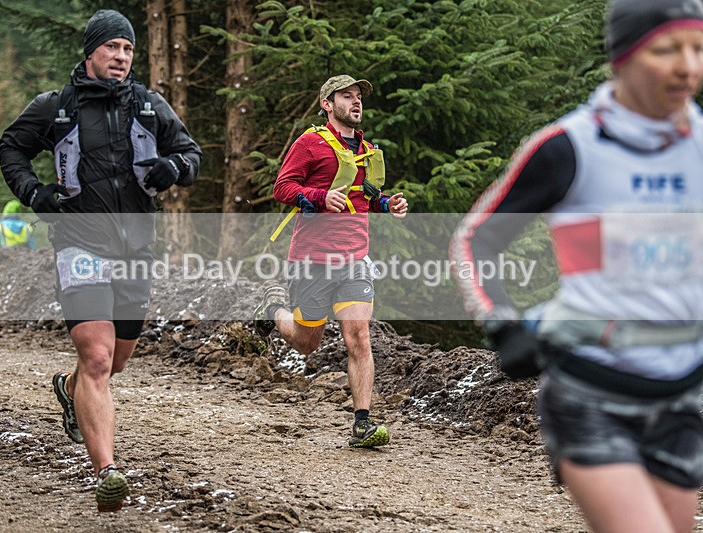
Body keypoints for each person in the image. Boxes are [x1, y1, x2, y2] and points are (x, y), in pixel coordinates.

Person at [450, 1, 703, 531]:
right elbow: (476, 239)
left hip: (682, 393)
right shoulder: (568, 146)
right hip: (589, 390)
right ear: (623, 56)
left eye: (698, 49)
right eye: (666, 49)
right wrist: (501, 321)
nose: (687, 67)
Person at [0, 9, 201, 512]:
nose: (121, 57)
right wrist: (34, 193)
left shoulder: (149, 106)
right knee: (96, 356)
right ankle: (107, 470)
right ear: (91, 51)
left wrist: (172, 166)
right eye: (112, 47)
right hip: (78, 242)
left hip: (135, 245)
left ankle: (70, 390)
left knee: (117, 360)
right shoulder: (56, 106)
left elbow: (191, 154)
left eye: (128, 49)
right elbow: (11, 149)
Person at [254, 75, 408, 448]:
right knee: (308, 342)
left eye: (358, 97)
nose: (355, 102)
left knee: (359, 337)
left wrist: (387, 204)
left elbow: (363, 197)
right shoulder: (310, 143)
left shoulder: (366, 148)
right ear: (327, 103)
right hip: (312, 259)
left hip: (355, 257)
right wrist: (320, 198)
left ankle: (362, 423)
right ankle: (273, 309)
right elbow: (282, 188)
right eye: (346, 96)